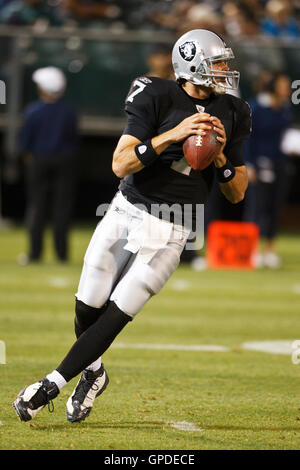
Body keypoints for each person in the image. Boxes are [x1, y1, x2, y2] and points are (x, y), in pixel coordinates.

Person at [13, 29, 251, 423]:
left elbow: (238, 192)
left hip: (177, 225)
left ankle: (50, 384)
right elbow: (120, 164)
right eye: (217, 63)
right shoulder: (155, 94)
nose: (226, 71)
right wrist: (172, 135)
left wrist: (221, 155)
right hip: (126, 210)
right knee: (88, 305)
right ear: (191, 65)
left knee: (117, 313)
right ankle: (94, 373)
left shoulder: (234, 111)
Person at [19, 66, 79, 264]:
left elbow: (25, 142)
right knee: (62, 208)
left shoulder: (32, 111)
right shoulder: (69, 111)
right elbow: (73, 139)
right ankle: (61, 254)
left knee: (37, 205)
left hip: (39, 160)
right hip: (65, 161)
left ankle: (35, 254)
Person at [243, 71, 293, 268]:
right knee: (256, 208)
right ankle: (252, 250)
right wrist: (249, 164)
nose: (287, 89)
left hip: (280, 163)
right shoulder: (255, 107)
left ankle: (270, 250)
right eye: (283, 84)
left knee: (274, 208)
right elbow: (247, 139)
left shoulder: (285, 109)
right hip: (259, 164)